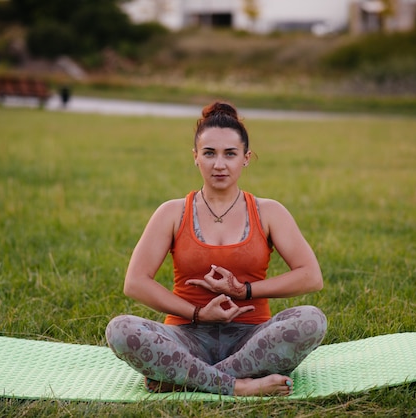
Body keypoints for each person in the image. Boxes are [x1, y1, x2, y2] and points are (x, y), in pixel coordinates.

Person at [106, 101, 327, 397]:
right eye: (209, 153)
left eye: (230, 154)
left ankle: (184, 379)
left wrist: (244, 291)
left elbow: (311, 276)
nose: (219, 164)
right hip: (185, 337)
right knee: (120, 330)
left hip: (251, 339)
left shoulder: (269, 212)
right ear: (195, 157)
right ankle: (238, 385)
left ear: (246, 158)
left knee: (312, 320)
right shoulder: (172, 213)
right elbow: (135, 283)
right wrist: (197, 313)